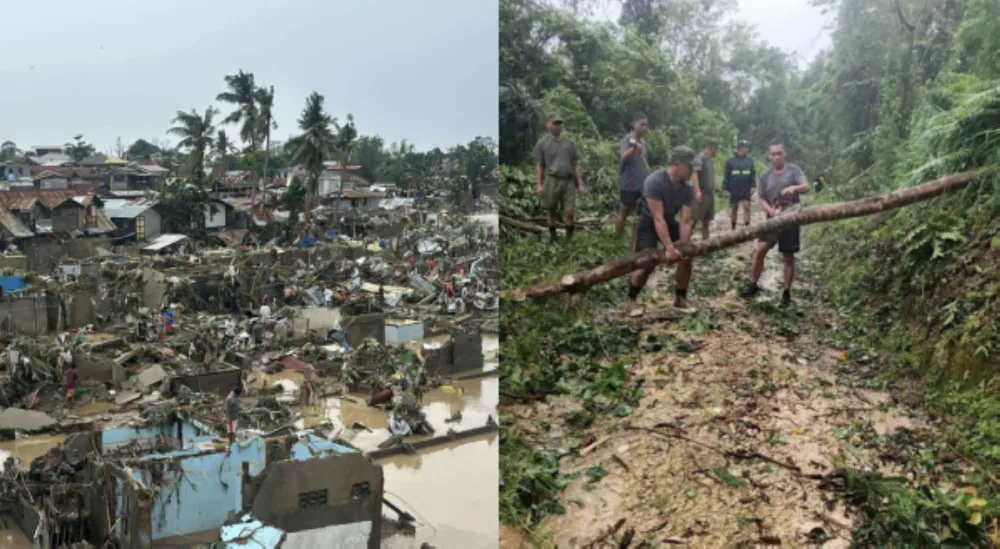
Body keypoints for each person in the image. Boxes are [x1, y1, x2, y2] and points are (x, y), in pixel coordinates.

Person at [739, 139, 810, 305]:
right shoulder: (765, 175)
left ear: (784, 154)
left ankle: (786, 292)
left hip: (791, 217)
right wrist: (771, 211)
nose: (776, 156)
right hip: (772, 218)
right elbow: (762, 199)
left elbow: (806, 187)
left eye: (779, 153)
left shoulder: (794, 170)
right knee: (760, 250)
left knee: (788, 256)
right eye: (773, 154)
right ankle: (753, 284)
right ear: (769, 156)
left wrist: (794, 188)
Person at [628, 146, 697, 309]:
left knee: (687, 257)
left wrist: (682, 244)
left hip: (668, 220)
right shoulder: (654, 181)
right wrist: (669, 247)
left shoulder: (687, 188)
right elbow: (657, 218)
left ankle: (680, 298)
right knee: (647, 262)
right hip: (648, 222)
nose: (693, 171)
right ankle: (631, 299)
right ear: (677, 164)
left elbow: (686, 220)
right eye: (690, 166)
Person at [533, 113, 584, 243]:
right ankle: (553, 236)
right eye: (555, 123)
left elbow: (575, 165)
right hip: (551, 179)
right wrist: (539, 184)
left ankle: (569, 238)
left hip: (568, 181)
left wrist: (580, 184)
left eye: (560, 123)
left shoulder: (569, 144)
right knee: (550, 209)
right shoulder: (542, 143)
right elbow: (540, 165)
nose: (558, 126)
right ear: (548, 124)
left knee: (569, 211)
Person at [616, 114, 650, 239]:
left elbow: (644, 163)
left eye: (646, 125)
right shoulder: (627, 140)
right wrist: (634, 148)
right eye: (641, 124)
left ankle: (636, 240)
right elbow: (623, 157)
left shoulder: (644, 143)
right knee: (624, 211)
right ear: (634, 124)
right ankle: (617, 239)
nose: (644, 127)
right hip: (629, 184)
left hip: (642, 185)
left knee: (641, 214)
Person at [722, 140, 756, 230]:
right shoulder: (730, 161)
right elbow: (726, 175)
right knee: (734, 208)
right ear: (741, 147)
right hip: (734, 188)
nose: (747, 149)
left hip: (746, 187)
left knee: (746, 207)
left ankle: (747, 228)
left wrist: (753, 185)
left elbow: (753, 174)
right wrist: (725, 188)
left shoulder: (750, 161)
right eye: (746, 147)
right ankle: (733, 227)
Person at [689, 139, 720, 240]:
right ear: (711, 147)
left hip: (709, 193)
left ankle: (706, 243)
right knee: (694, 220)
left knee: (706, 220)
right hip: (702, 192)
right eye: (716, 149)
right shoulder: (700, 157)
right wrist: (697, 191)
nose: (717, 151)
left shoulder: (709, 159)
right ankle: (685, 242)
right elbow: (695, 173)